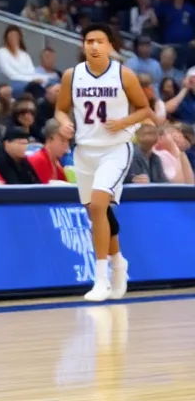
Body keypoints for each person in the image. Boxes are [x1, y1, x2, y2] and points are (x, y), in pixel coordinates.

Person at [54, 23, 152, 302]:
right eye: (88, 41)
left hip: (115, 149)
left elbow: (145, 109)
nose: (94, 46)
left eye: (99, 41)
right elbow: (60, 110)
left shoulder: (125, 75)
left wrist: (123, 122)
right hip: (84, 151)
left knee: (98, 206)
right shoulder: (71, 76)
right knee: (96, 214)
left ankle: (100, 280)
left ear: (110, 46)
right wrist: (64, 124)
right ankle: (119, 262)